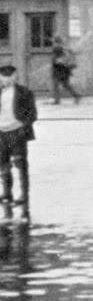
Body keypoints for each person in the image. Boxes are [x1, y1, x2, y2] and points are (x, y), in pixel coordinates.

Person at [0, 65, 38, 213]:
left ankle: (23, 194)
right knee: (3, 165)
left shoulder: (24, 92)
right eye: (3, 76)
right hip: (1, 133)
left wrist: (24, 127)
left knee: (20, 163)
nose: (7, 79)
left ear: (15, 76)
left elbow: (32, 113)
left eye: (10, 76)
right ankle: (7, 192)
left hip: (17, 132)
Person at [50, 36, 80, 105]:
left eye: (54, 42)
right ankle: (76, 95)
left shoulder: (57, 48)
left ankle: (57, 100)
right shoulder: (64, 47)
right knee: (65, 85)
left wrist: (57, 61)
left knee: (57, 84)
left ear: (56, 42)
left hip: (60, 69)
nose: (54, 43)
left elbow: (56, 59)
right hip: (63, 69)